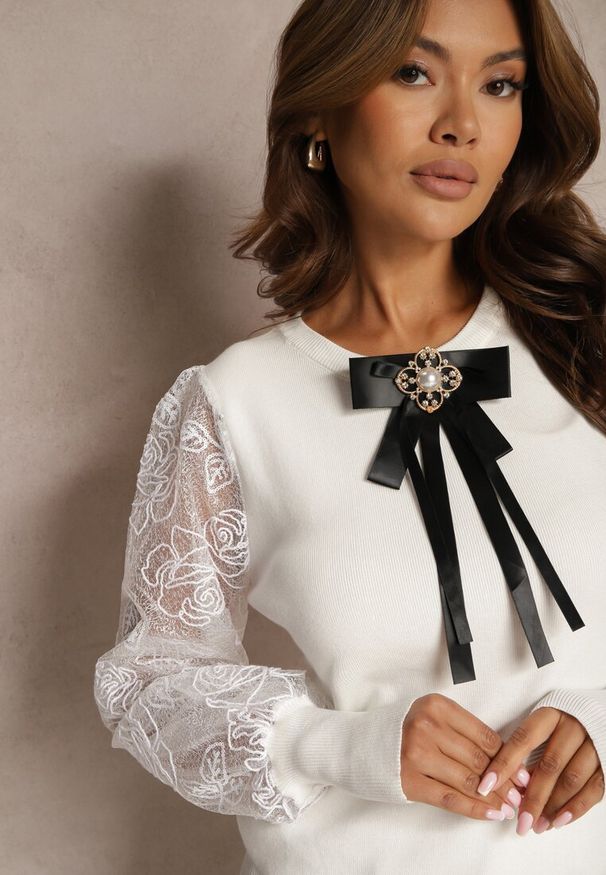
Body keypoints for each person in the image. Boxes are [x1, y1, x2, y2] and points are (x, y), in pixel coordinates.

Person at [93, 0, 606, 871]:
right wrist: (340, 745)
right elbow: (150, 679)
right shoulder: (236, 403)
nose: (462, 123)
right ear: (321, 114)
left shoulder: (586, 340)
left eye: (501, 85)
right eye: (413, 72)